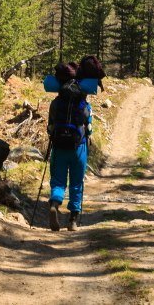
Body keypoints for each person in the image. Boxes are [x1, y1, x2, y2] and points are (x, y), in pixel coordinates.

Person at [47, 61, 91, 231]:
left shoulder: (55, 104)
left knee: (58, 181)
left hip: (59, 147)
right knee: (76, 183)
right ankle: (73, 220)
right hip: (78, 148)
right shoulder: (85, 105)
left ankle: (55, 204)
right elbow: (89, 127)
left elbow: (50, 126)